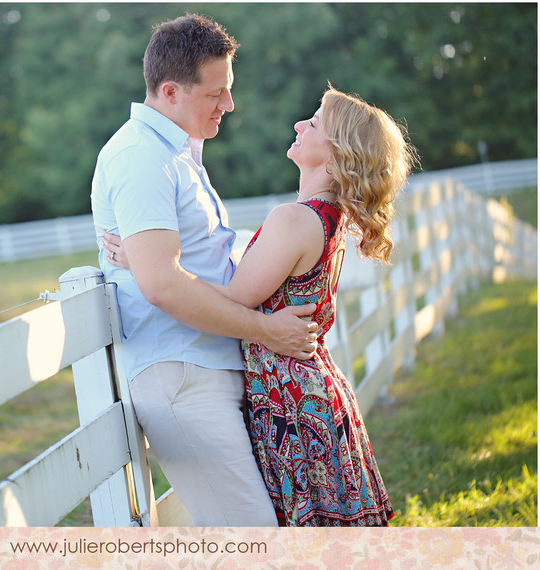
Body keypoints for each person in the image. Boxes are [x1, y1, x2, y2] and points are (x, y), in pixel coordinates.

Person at [105, 85, 418, 526]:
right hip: (307, 391)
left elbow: (231, 298)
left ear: (334, 157)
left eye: (312, 123)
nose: (298, 125)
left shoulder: (292, 220)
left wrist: (145, 264)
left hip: (292, 400)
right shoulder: (327, 218)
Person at [90, 13, 318, 526]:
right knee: (252, 540)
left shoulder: (180, 153)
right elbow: (162, 284)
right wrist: (267, 331)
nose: (229, 105)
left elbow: (199, 262)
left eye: (228, 90)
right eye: (216, 93)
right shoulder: (139, 157)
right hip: (182, 375)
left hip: (210, 363)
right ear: (170, 92)